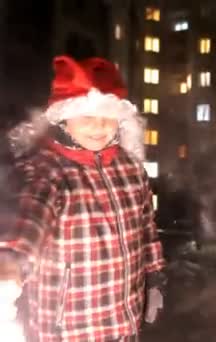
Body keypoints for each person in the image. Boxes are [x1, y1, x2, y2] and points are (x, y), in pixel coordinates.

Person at [0, 55, 166, 341]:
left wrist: (155, 278)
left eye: (108, 119)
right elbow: (31, 218)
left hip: (124, 324)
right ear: (63, 119)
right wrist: (10, 264)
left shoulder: (130, 168)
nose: (99, 127)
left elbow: (146, 228)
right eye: (87, 117)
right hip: (69, 328)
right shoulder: (49, 171)